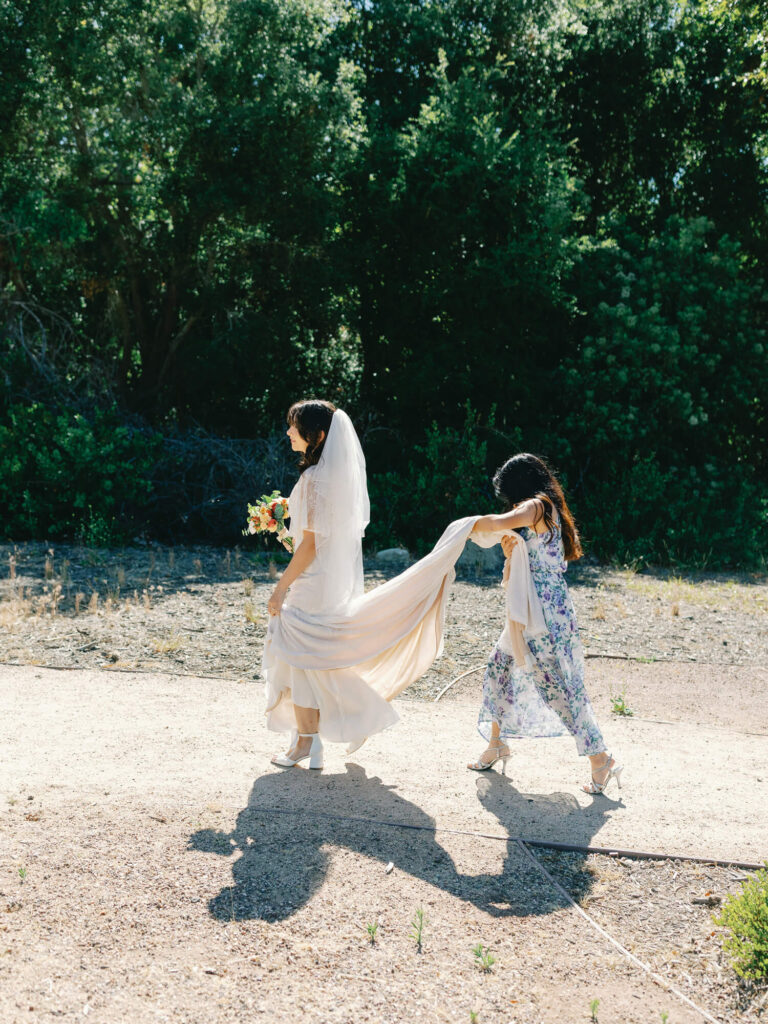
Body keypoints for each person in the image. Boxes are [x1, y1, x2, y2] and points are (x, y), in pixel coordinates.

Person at [262, 400, 478, 770]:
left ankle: (347, 721)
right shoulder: (331, 478)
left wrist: (281, 587)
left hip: (311, 585)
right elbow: (321, 536)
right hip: (325, 581)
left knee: (304, 660)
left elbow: (311, 545)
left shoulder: (315, 479)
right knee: (308, 663)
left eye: (294, 426)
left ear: (317, 435)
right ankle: (307, 743)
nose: (288, 432)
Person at [468, 453, 623, 795]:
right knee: (499, 668)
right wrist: (513, 548)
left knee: (558, 687)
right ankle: (496, 743)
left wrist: (468, 526)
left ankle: (601, 758)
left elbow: (498, 522)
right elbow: (524, 551)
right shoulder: (547, 509)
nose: (512, 501)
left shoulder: (538, 505)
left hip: (543, 614)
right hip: (535, 608)